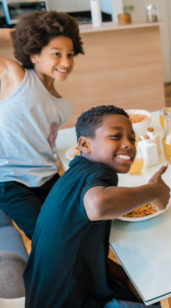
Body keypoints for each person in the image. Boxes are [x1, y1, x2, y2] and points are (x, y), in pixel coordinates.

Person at [23, 105, 171, 307]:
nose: (128, 144)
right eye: (115, 136)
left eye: (132, 138)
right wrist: (153, 190)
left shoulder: (78, 169)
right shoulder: (100, 173)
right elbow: (97, 205)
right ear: (85, 144)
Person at [0, 11, 84, 239]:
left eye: (70, 54)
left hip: (48, 176)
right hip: (11, 181)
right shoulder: (14, 77)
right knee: (48, 238)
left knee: (80, 226)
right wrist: (21, 35)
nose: (66, 63)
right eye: (57, 54)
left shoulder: (63, 106)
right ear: (34, 54)